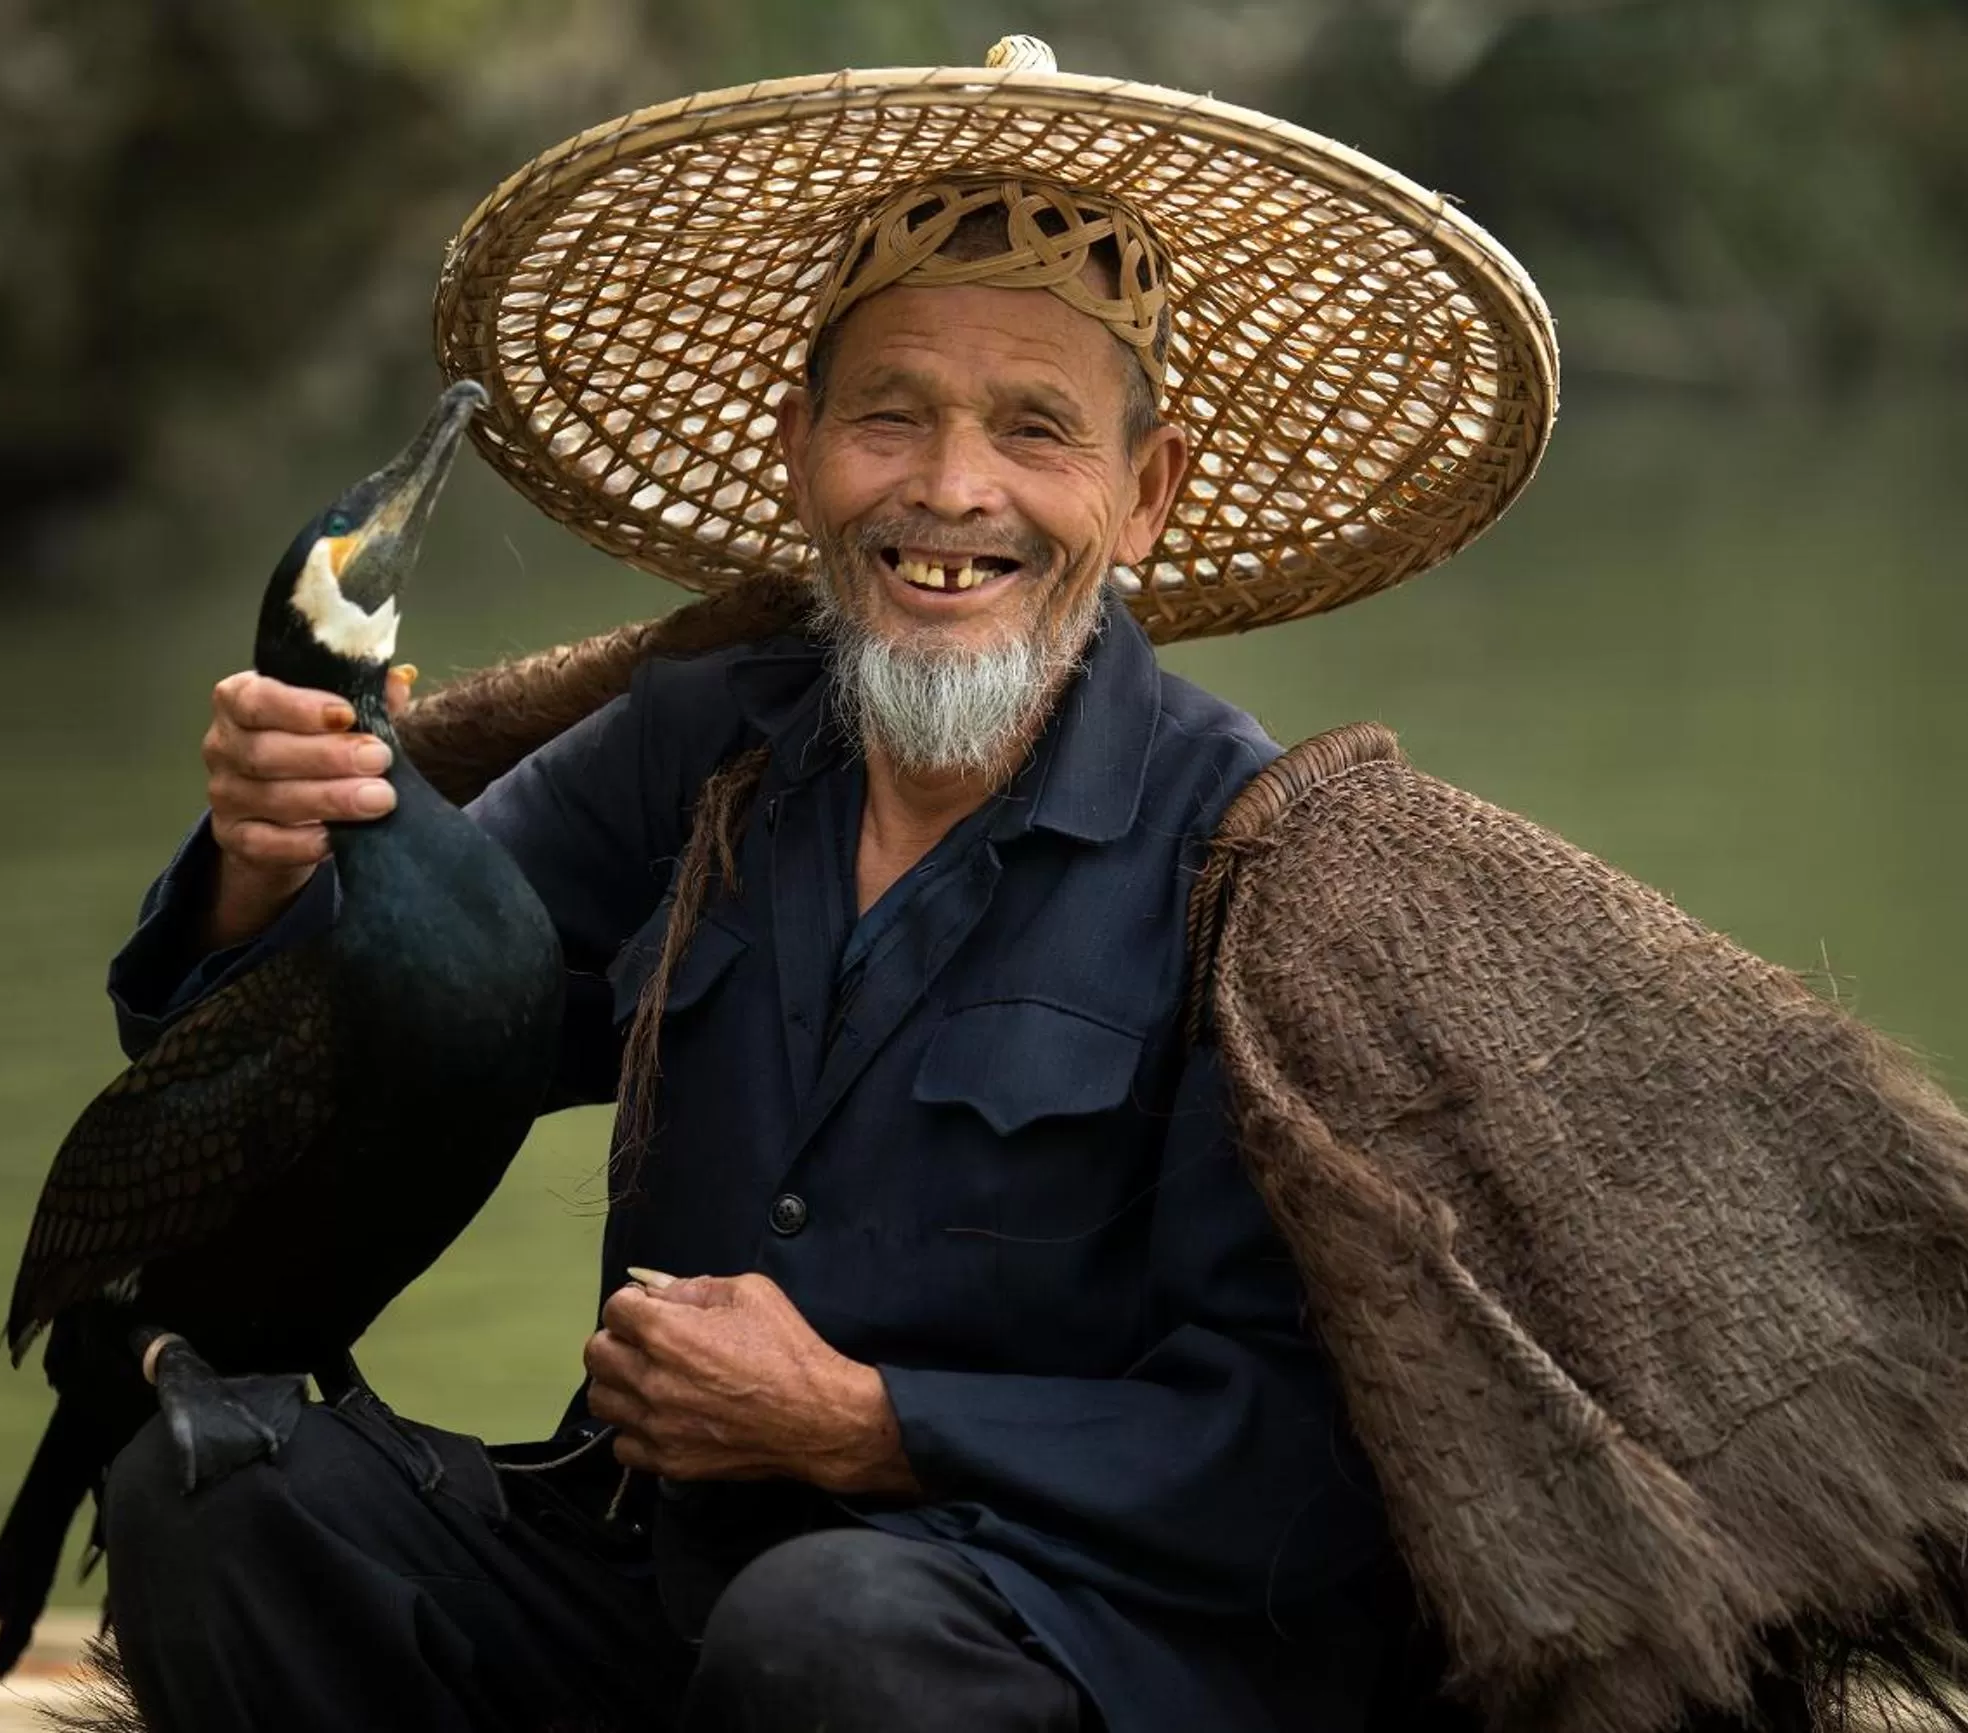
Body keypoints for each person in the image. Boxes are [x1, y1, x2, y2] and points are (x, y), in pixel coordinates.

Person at [88, 37, 1553, 1733]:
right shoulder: (696, 747)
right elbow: (361, 1045)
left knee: (828, 1629)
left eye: (1033, 430)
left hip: (1048, 1649)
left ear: (1142, 493)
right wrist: (267, 874)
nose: (950, 492)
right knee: (218, 1495)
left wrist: (871, 1423)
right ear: (802, 454)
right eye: (890, 418)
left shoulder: (1257, 866)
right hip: (665, 1586)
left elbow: (1301, 1463)